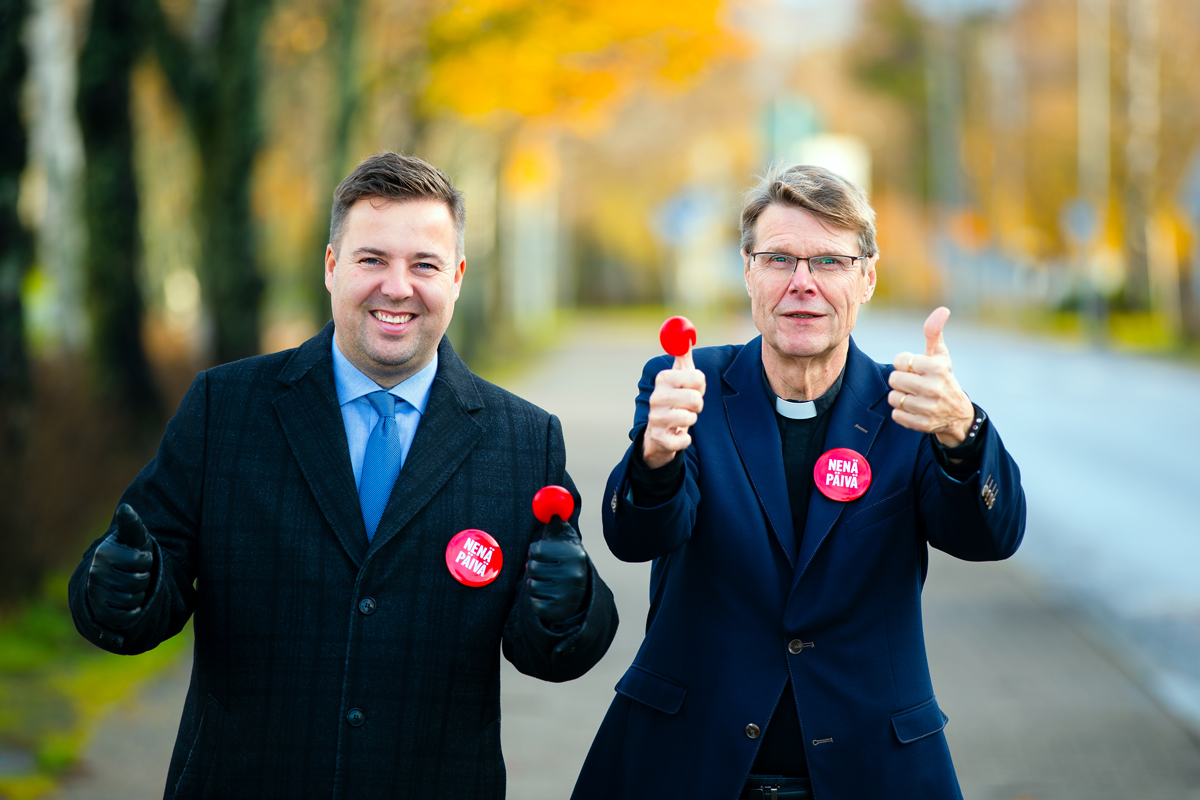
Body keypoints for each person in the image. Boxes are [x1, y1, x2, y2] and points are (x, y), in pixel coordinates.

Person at [69, 152, 618, 799]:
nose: (397, 286)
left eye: (424, 265)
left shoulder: (524, 440)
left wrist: (568, 609)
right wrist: (123, 587)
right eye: (371, 259)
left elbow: (550, 648)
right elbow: (138, 594)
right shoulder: (226, 409)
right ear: (331, 267)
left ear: (458, 277)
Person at [572, 164, 1025, 800]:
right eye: (780, 259)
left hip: (870, 767)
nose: (802, 284)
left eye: (829, 262)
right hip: (688, 759)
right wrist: (655, 455)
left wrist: (961, 432)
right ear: (749, 271)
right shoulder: (687, 383)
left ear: (867, 278)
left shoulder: (913, 406)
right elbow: (635, 535)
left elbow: (990, 538)